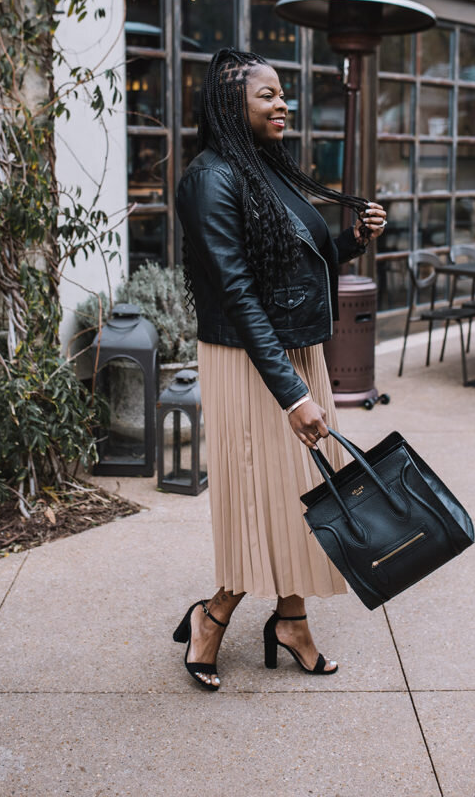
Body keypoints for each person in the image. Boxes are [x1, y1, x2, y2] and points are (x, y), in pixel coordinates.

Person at [174, 48, 387, 690]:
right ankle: (212, 615)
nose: (282, 103)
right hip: (251, 362)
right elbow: (238, 295)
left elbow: (291, 262)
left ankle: (290, 619)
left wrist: (351, 242)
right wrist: (293, 395)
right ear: (230, 105)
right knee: (260, 496)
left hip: (295, 352)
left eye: (283, 93)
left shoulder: (267, 171)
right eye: (267, 94)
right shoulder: (210, 179)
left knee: (305, 493)